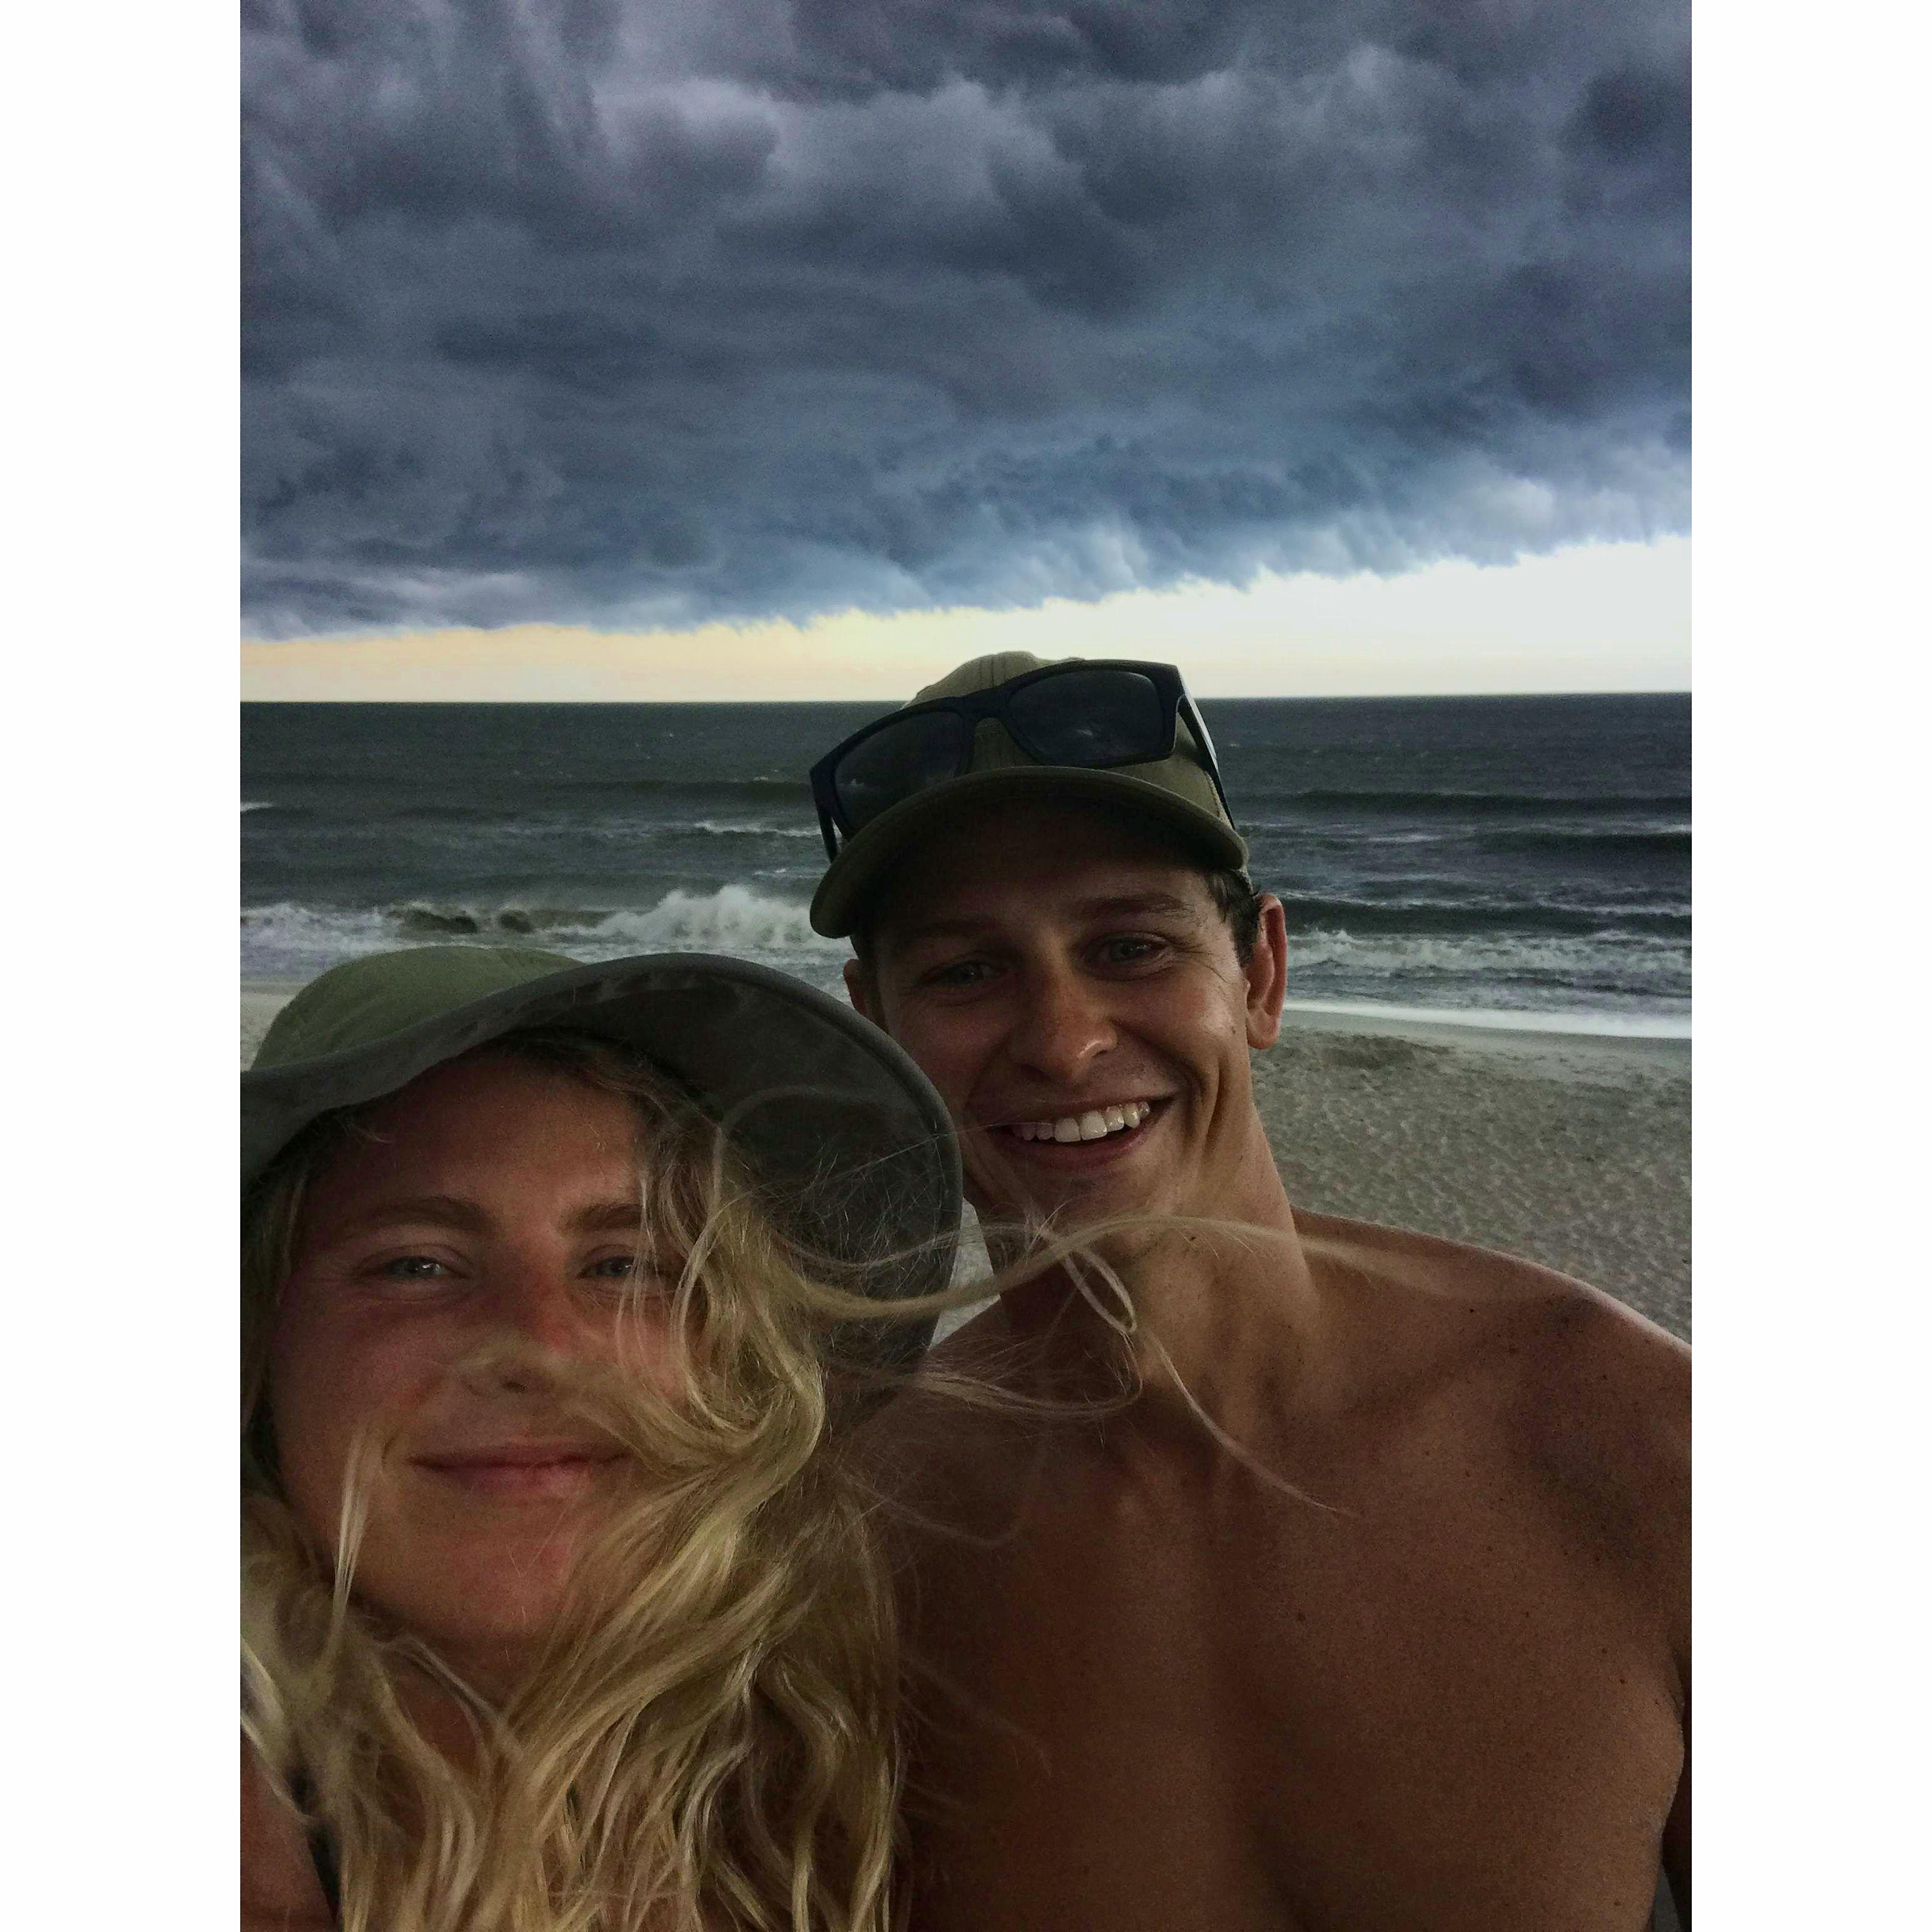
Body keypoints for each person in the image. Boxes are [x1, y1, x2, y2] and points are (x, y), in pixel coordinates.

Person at [805, 653, 1692, 1931]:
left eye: (1129, 946)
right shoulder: (842, 1543)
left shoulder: (1635, 1440)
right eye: (962, 972)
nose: (1061, 1040)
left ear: (1260, 975)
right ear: (876, 1032)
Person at [240, 945, 962, 1932]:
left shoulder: (843, 1765)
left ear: (737, 1351)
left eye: (624, 1265)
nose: (541, 1344)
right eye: (416, 1265)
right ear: (256, 1337)